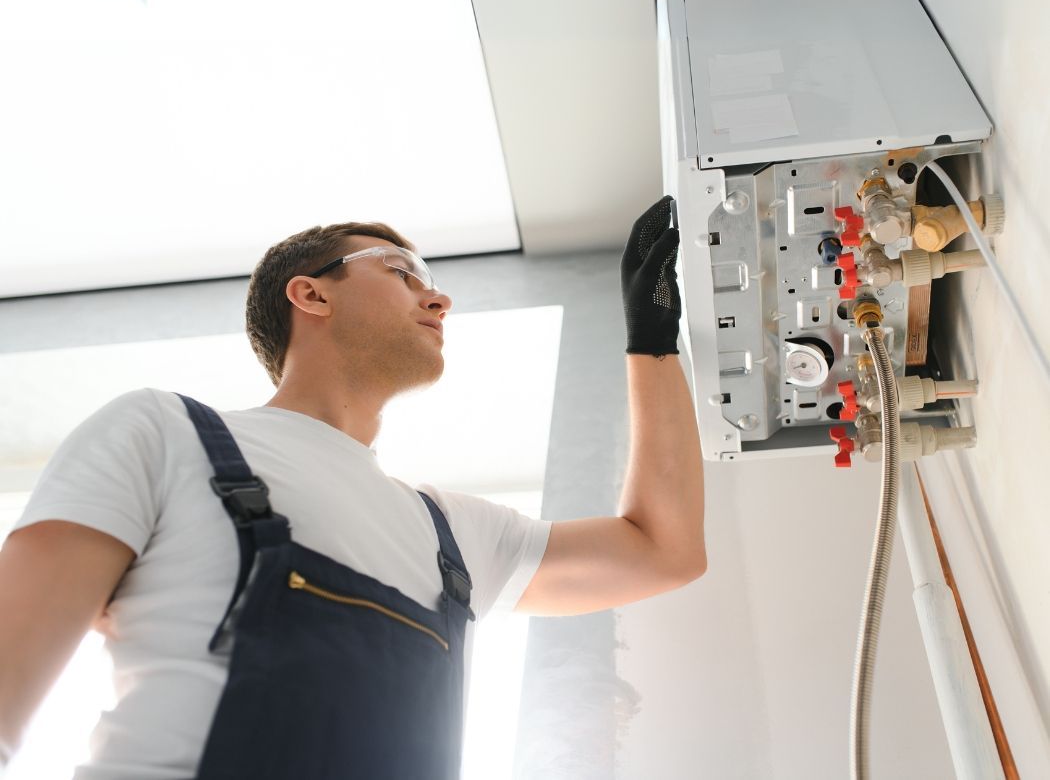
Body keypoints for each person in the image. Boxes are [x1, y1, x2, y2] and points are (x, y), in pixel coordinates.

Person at [0, 195, 705, 778]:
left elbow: (662, 549)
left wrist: (652, 343)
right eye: (402, 271)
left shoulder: (447, 533)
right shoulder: (162, 432)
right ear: (309, 294)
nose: (439, 297)